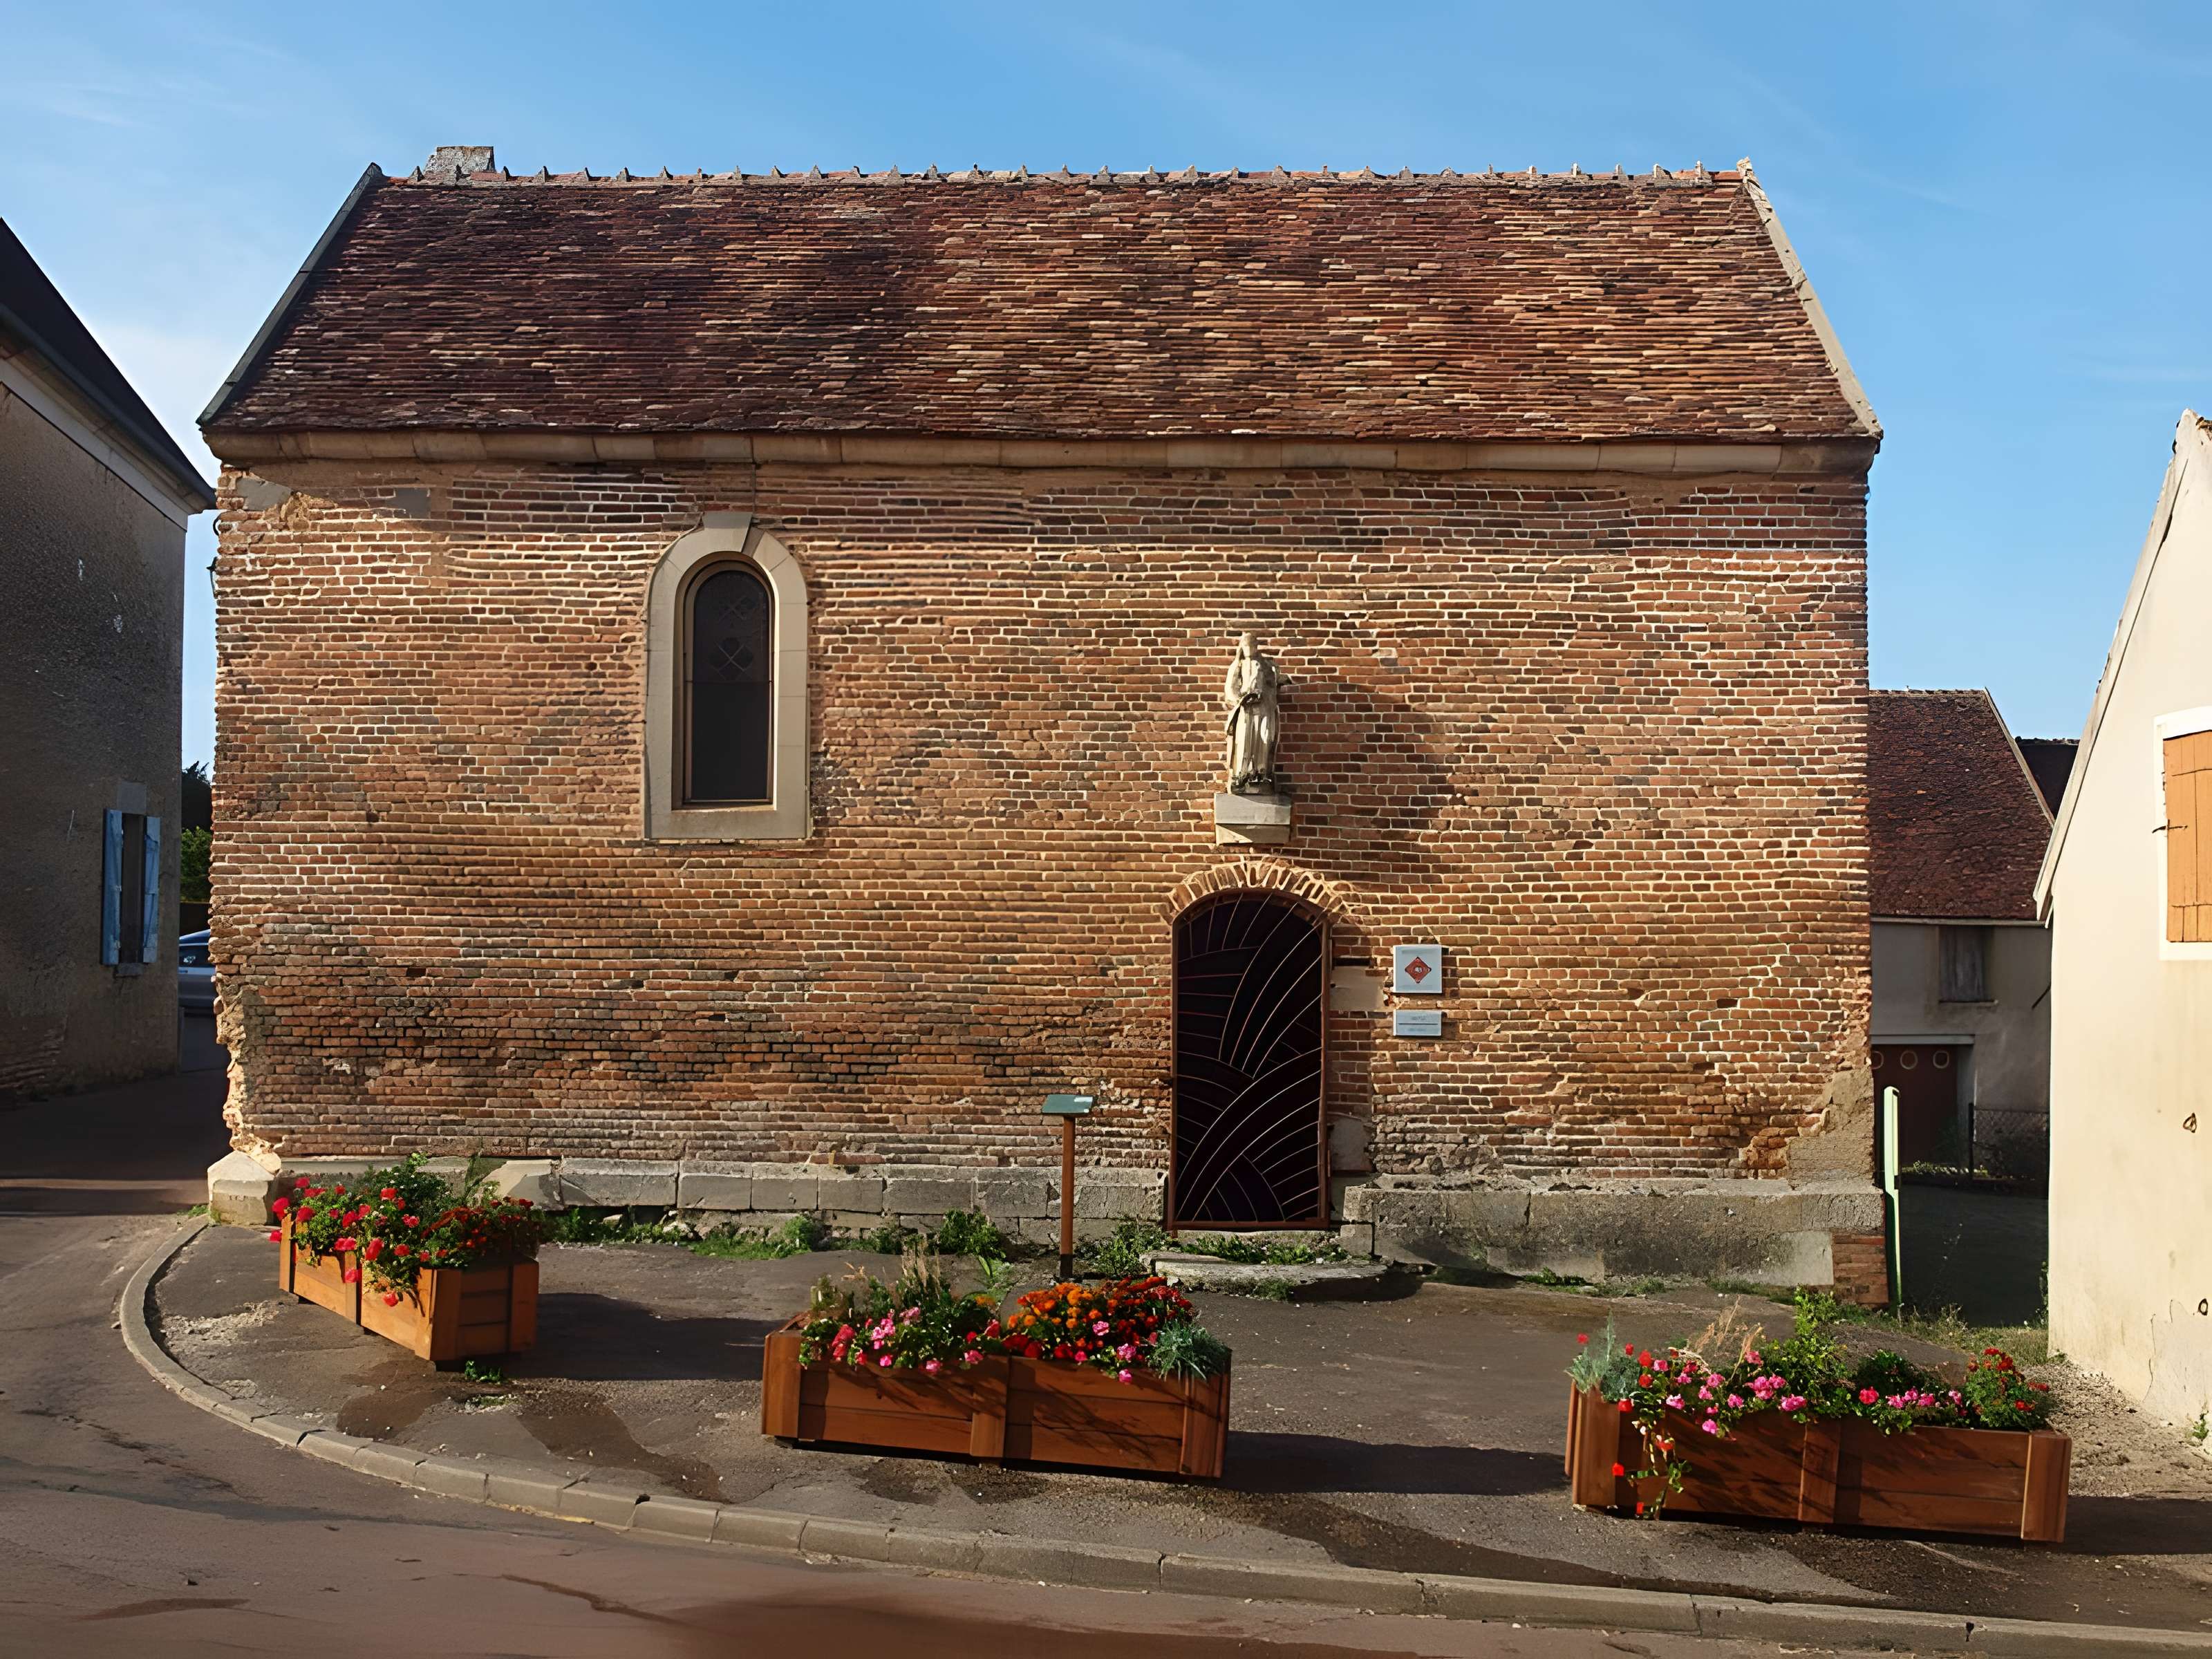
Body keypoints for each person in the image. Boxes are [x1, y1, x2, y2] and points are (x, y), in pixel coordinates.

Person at [1221, 632, 1280, 793]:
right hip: (1246, 709)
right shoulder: (1238, 666)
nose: (1248, 649)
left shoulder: (1265, 665)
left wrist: (1274, 682)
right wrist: (1240, 699)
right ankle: (1242, 775)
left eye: (1251, 646)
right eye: (1245, 646)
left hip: (1264, 708)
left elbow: (1272, 684)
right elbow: (1230, 689)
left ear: (1256, 647)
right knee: (1245, 741)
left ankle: (1261, 774)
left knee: (1264, 738)